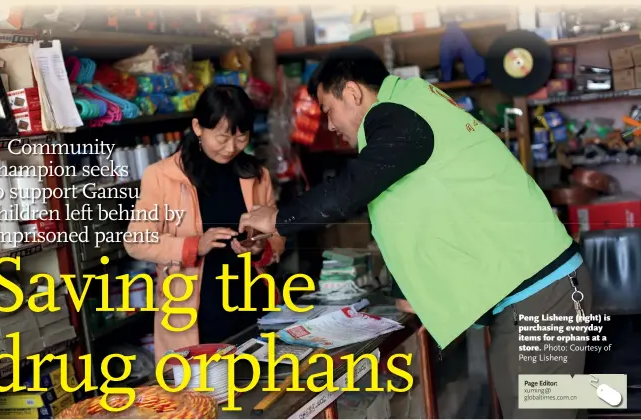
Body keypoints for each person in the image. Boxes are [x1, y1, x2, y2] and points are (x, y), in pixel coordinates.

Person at [238, 46, 592, 418]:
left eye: (328, 110)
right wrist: (406, 288)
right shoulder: (413, 103)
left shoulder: (396, 115)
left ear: (354, 93)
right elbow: (416, 204)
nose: (329, 125)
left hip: (544, 295)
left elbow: (352, 189)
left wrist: (278, 219)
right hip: (540, 292)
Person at [124, 85, 285, 363]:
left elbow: (277, 235)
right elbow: (136, 241)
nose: (232, 147)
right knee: (203, 399)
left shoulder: (256, 174)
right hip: (196, 315)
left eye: (241, 137)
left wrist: (259, 247)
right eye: (222, 137)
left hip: (254, 306)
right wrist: (193, 245)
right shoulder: (161, 177)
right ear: (198, 127)